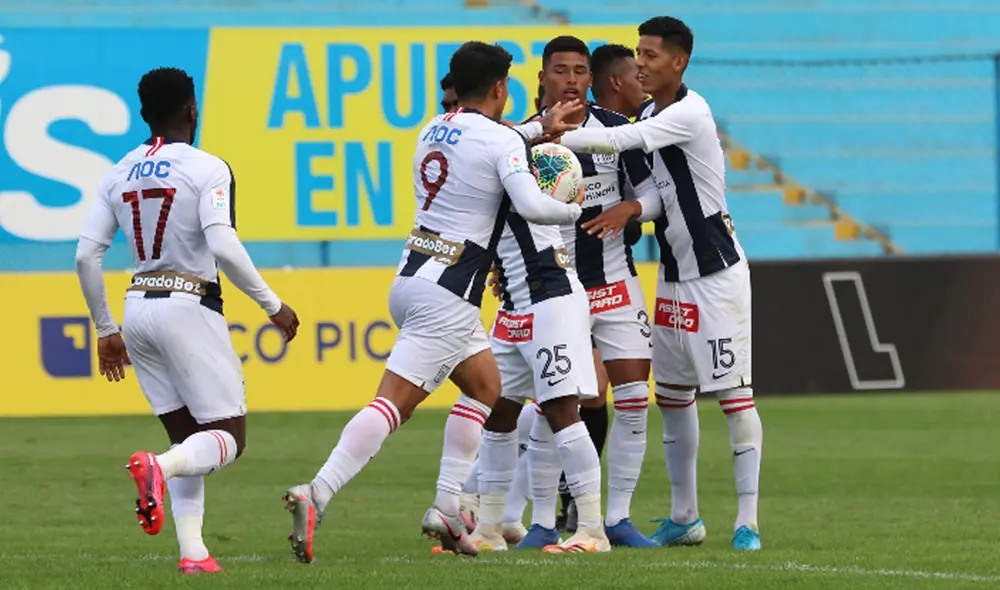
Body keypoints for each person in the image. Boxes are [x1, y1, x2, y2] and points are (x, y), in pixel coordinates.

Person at [282, 41, 585, 562]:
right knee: (393, 403)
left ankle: (447, 505)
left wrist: (540, 126)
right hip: (450, 290)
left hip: (414, 274)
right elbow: (534, 203)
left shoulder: (433, 127)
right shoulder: (500, 140)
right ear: (499, 88)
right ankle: (319, 492)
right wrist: (575, 208)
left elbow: (497, 141)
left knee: (486, 387)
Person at [74, 67, 300, 574]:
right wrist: (271, 304)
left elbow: (87, 256)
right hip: (187, 301)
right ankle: (157, 468)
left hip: (136, 307)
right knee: (227, 437)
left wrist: (106, 330)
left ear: (143, 113)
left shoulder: (119, 171)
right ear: (192, 109)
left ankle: (193, 552)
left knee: (188, 437)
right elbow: (222, 244)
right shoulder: (207, 167)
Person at [563, 16, 762, 551]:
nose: (641, 65)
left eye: (650, 56)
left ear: (678, 62)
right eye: (637, 54)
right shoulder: (653, 109)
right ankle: (685, 516)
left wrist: (551, 133)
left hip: (716, 274)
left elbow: (629, 137)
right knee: (673, 398)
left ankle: (747, 522)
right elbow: (664, 194)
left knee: (733, 397)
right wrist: (634, 205)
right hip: (674, 275)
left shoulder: (688, 113)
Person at [518, 36, 660, 549]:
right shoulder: (521, 138)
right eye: (561, 70)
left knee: (634, 400)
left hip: (615, 280)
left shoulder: (618, 130)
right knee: (553, 403)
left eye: (580, 70)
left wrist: (631, 209)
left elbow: (652, 193)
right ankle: (540, 521)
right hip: (553, 287)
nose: (572, 79)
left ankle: (617, 519)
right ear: (542, 78)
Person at [466, 111, 611, 555]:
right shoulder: (493, 165)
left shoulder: (514, 164)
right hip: (513, 306)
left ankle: (592, 529)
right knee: (500, 412)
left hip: (551, 299)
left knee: (561, 409)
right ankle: (490, 528)